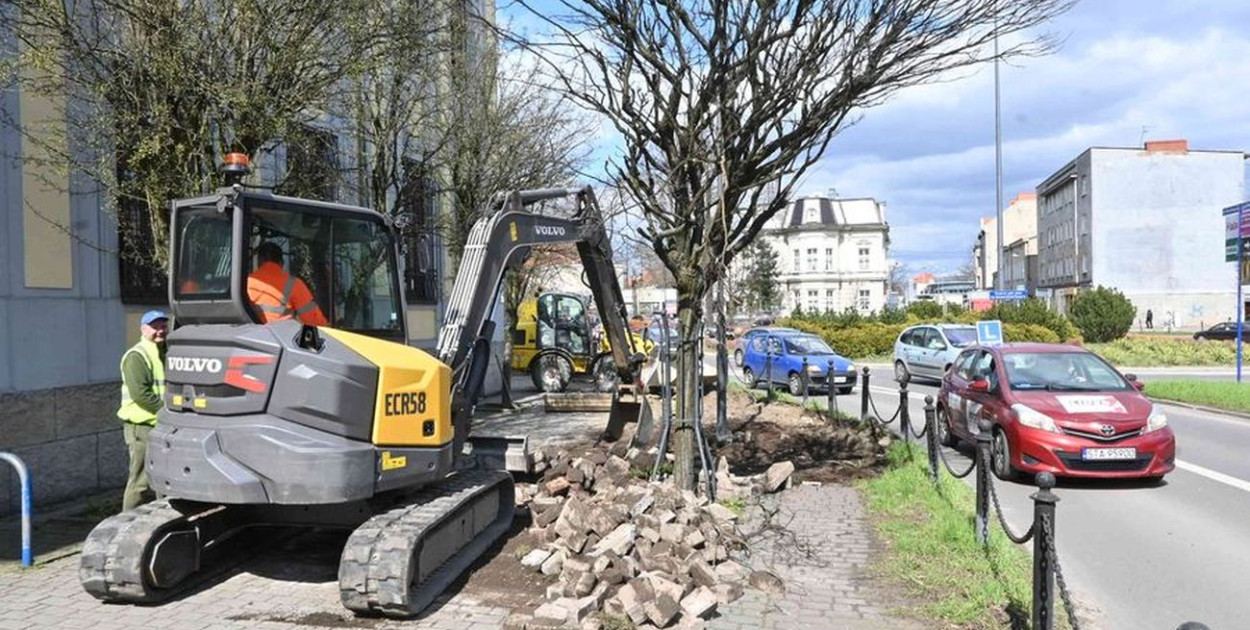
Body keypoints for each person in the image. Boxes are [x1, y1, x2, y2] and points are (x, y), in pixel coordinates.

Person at [117, 310, 169, 511]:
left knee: (162, 477)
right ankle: (126, 520)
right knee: (140, 480)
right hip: (141, 426)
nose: (160, 331)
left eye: (163, 326)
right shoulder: (136, 356)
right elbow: (140, 395)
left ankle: (162, 517)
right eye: (154, 327)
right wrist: (166, 412)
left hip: (159, 424)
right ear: (143, 329)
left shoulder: (164, 351)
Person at [247, 241, 328, 326]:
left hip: (248, 336)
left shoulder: (246, 282)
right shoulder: (294, 284)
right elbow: (314, 321)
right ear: (281, 262)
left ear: (259, 261)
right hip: (280, 337)